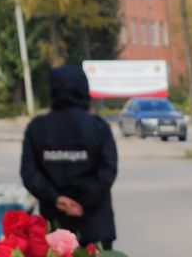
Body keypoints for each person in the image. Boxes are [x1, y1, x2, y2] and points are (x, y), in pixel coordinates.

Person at [20, 64, 118, 247]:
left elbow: (29, 173)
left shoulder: (37, 128)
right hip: (94, 226)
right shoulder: (98, 127)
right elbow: (108, 171)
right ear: (84, 89)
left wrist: (57, 199)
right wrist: (83, 202)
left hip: (55, 229)